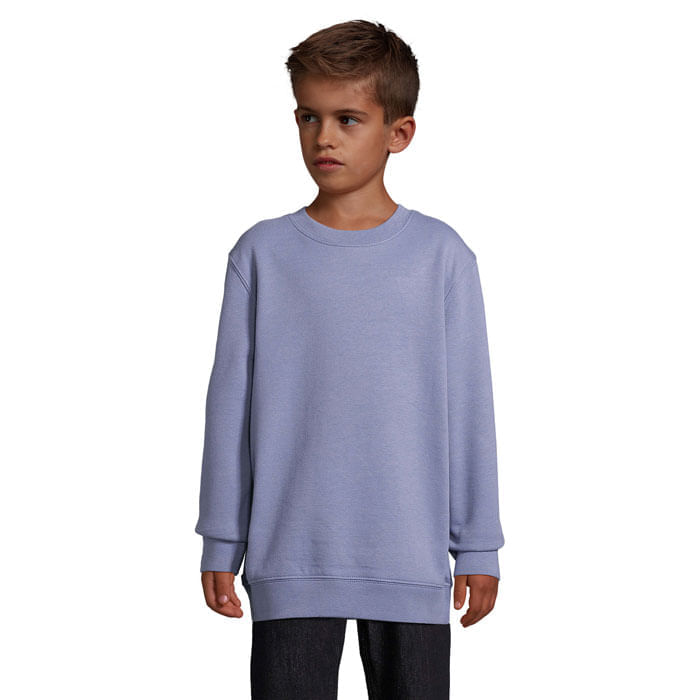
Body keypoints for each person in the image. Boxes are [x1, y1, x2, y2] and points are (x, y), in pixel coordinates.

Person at [194, 19, 505, 699]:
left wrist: (478, 544)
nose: (323, 137)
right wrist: (222, 538)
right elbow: (230, 411)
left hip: (410, 559)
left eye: (347, 119)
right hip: (290, 555)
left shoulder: (441, 257)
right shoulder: (261, 255)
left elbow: (468, 408)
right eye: (308, 116)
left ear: (399, 132)